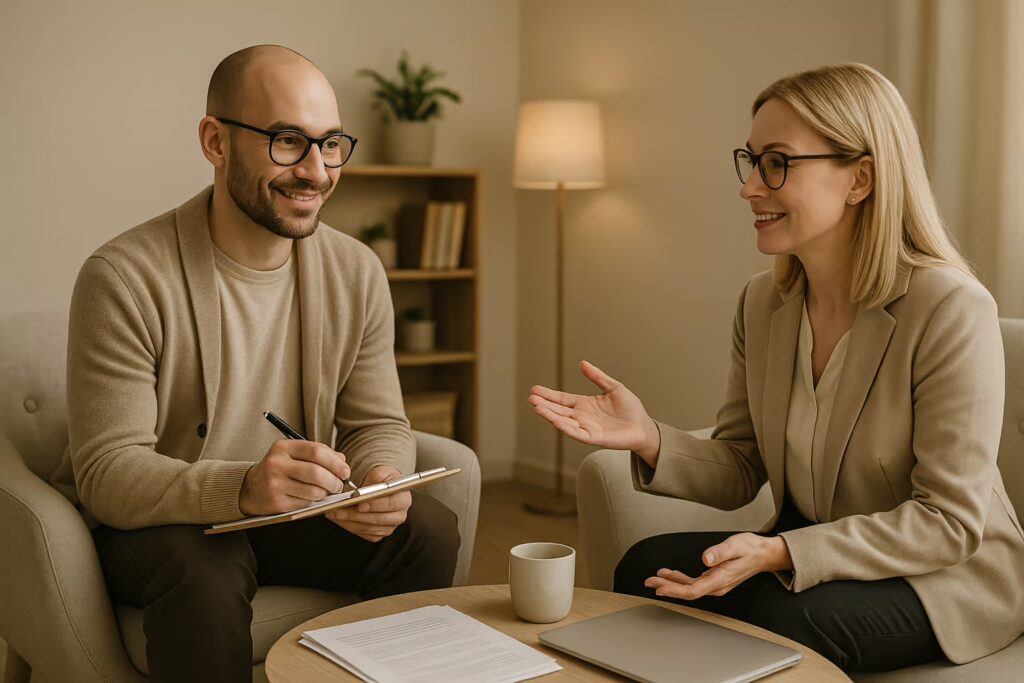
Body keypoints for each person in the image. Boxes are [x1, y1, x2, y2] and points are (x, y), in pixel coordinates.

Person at [529, 63, 1024, 672]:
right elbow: (742, 464)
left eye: (778, 163)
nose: (749, 189)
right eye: (752, 160)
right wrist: (648, 437)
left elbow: (946, 523)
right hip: (809, 550)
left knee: (788, 621)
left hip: (940, 577)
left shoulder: (949, 308)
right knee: (645, 567)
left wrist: (782, 551)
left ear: (860, 178)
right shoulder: (763, 303)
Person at [51, 45, 461, 682]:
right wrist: (240, 488)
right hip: (161, 524)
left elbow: (380, 422)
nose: (316, 171)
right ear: (215, 142)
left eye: (330, 145)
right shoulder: (123, 277)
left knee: (425, 529)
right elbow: (107, 473)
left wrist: (381, 482)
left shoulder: (357, 271)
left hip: (288, 514)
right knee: (206, 567)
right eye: (288, 140)